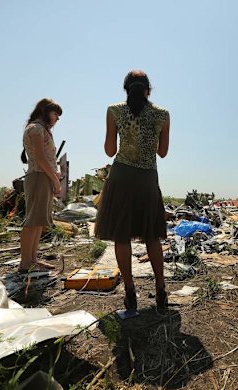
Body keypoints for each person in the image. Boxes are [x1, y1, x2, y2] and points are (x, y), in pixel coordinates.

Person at [94, 70, 170, 312]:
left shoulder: (114, 110)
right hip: (147, 178)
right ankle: (160, 289)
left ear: (126, 89)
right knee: (151, 235)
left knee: (121, 235)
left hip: (122, 176)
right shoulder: (163, 115)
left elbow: (108, 150)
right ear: (149, 90)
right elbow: (163, 152)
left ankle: (130, 292)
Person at [20, 98, 63, 272]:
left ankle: (32, 259)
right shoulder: (36, 128)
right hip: (38, 176)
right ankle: (25, 262)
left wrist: (53, 175)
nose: (57, 119)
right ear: (46, 112)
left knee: (39, 220)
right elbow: (40, 157)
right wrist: (55, 179)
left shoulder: (41, 129)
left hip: (42, 176)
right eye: (55, 114)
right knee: (32, 221)